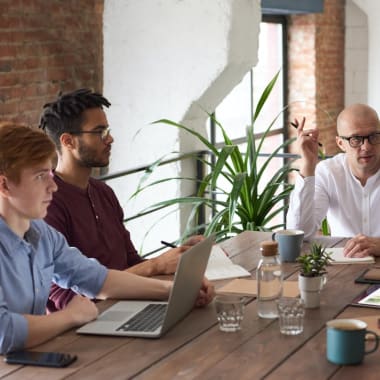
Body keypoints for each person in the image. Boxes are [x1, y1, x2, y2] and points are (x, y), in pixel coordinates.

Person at [0, 122, 214, 354]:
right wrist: (70, 317)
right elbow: (4, 333)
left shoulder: (43, 235)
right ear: (4, 185)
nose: (53, 186)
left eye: (50, 173)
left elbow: (97, 280)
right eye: (40, 177)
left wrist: (174, 290)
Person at [38, 89, 203, 311]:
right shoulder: (47, 203)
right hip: (84, 328)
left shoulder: (103, 192)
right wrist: (156, 266)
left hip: (128, 307)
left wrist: (175, 261)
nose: (110, 139)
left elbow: (132, 262)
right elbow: (64, 300)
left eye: (107, 130)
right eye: (99, 132)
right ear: (68, 141)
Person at [287, 103, 380, 258]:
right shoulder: (329, 172)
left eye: (374, 137)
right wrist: (307, 166)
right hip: (344, 268)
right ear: (340, 144)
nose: (366, 147)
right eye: (356, 139)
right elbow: (299, 234)